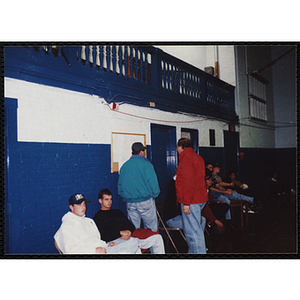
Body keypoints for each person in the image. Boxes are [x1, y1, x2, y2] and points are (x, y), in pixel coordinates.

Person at [54, 193, 140, 254]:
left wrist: (107, 245)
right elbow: (69, 250)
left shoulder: (89, 221)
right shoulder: (67, 225)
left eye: (84, 204)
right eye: (78, 205)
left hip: (104, 250)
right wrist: (94, 251)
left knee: (134, 243)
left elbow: (97, 239)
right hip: (92, 253)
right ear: (71, 207)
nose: (83, 207)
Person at [93, 189, 165, 254]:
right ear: (100, 201)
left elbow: (131, 226)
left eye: (111, 199)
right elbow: (103, 235)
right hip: (115, 242)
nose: (109, 202)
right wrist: (120, 233)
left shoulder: (117, 212)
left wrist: (128, 232)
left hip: (130, 237)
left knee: (157, 238)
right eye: (106, 199)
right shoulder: (98, 217)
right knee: (133, 244)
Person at [117, 142, 160, 232]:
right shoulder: (147, 165)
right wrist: (154, 194)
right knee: (151, 230)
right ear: (141, 152)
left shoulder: (124, 166)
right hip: (145, 201)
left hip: (130, 203)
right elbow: (153, 184)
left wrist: (126, 196)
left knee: (133, 230)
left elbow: (120, 187)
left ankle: (137, 246)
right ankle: (151, 246)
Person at [175, 138, 207, 254]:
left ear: (180, 146)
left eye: (177, 147)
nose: (177, 150)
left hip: (191, 201)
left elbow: (189, 182)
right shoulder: (197, 157)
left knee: (193, 233)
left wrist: (187, 203)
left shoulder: (186, 159)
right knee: (195, 231)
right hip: (199, 198)